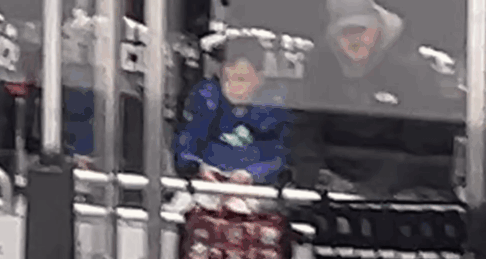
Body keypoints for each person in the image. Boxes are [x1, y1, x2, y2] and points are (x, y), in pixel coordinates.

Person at [290, 0, 460, 199]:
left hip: (397, 187)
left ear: (378, 29)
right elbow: (304, 127)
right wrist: (314, 175)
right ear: (333, 35)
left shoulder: (413, 70)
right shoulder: (320, 65)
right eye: (345, 32)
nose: (354, 40)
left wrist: (373, 190)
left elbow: (422, 147)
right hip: (332, 183)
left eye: (362, 31)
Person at [174, 36, 290, 187]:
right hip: (205, 187)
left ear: (259, 79)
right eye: (228, 79)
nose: (233, 87)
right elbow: (186, 144)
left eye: (241, 79)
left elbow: (279, 157)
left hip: (256, 192)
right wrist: (199, 169)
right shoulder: (206, 98)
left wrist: (252, 174)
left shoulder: (272, 108)